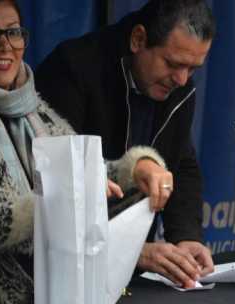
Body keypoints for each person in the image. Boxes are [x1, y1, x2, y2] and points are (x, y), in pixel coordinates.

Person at [0, 0, 156, 304]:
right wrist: (50, 206)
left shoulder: (37, 111)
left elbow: (83, 176)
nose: (5, 45)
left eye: (13, 32)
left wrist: (135, 169)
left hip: (57, 302)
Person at [36, 0, 216, 288]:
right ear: (138, 39)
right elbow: (57, 183)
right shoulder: (75, 69)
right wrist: (130, 251)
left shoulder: (179, 88)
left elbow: (181, 164)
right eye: (172, 64)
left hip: (129, 272)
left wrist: (186, 237)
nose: (182, 79)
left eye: (193, 69)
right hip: (66, 278)